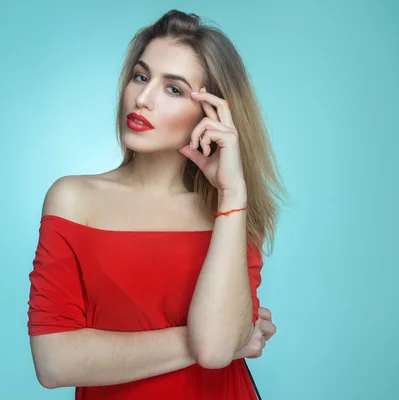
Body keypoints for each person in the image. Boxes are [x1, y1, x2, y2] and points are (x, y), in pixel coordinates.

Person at [27, 9, 289, 399]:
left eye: (174, 89)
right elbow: (54, 362)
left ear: (211, 113)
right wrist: (204, 341)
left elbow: (217, 352)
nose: (143, 99)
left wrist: (233, 195)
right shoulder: (72, 199)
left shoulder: (232, 212)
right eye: (141, 76)